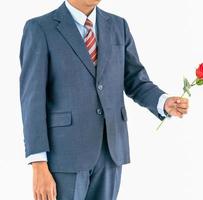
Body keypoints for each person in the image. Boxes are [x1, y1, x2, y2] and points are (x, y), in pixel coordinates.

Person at [19, 0, 189, 199]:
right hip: (64, 155)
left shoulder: (118, 26)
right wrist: (38, 163)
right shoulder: (40, 28)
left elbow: (135, 80)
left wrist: (163, 102)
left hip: (111, 150)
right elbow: (32, 99)